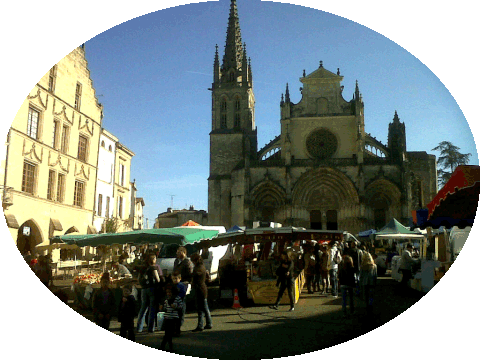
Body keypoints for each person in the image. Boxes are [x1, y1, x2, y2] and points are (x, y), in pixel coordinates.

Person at [137, 252, 161, 333]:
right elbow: (158, 279)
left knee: (143, 309)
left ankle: (139, 327)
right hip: (152, 289)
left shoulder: (142, 268)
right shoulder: (153, 268)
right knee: (152, 309)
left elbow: (138, 279)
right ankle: (151, 328)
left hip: (144, 289)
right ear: (153, 260)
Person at [190, 253, 213, 331]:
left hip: (200, 289)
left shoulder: (198, 268)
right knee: (205, 308)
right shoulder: (202, 267)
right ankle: (208, 323)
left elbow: (195, 275)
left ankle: (201, 325)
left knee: (201, 309)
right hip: (202, 288)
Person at [159, 285, 183, 352]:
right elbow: (165, 308)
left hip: (174, 318)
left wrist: (175, 306)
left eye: (170, 292)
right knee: (167, 334)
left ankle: (165, 346)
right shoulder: (166, 299)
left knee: (169, 334)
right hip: (167, 317)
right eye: (167, 292)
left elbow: (181, 307)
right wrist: (161, 308)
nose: (168, 294)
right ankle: (168, 347)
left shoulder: (177, 298)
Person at [359, 252, 377, 318]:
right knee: (371, 296)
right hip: (371, 283)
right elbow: (375, 276)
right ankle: (371, 308)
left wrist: (360, 284)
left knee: (366, 297)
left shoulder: (362, 266)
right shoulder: (374, 266)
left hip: (364, 283)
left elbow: (361, 276)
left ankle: (367, 309)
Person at [171, 271, 187, 336]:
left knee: (180, 317)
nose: (174, 280)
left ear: (180, 278)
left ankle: (177, 330)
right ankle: (175, 330)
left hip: (181, 303)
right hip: (174, 304)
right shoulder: (172, 285)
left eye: (176, 278)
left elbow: (183, 294)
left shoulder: (181, 285)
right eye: (173, 279)